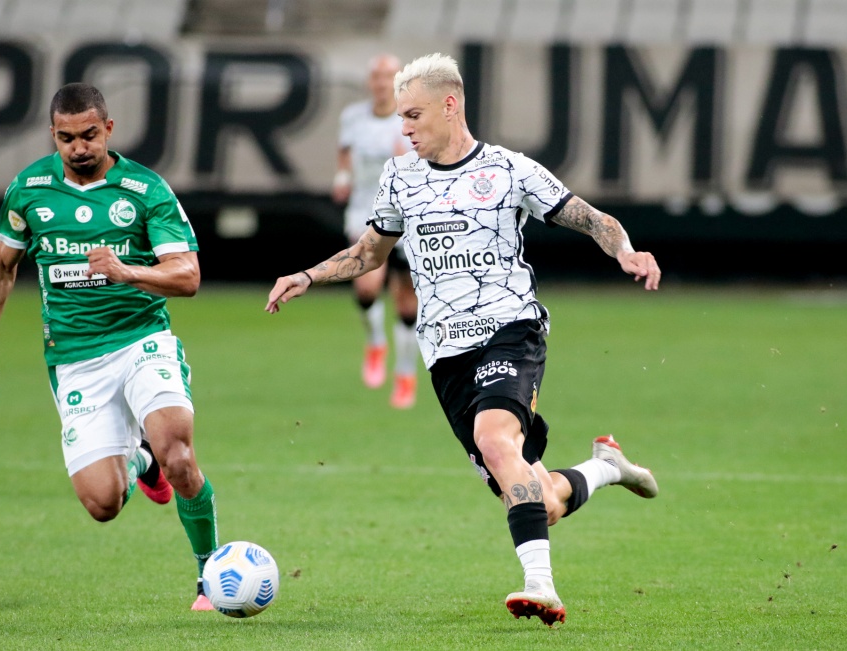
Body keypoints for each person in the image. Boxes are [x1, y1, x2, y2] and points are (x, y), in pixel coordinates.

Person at [266, 53, 661, 626]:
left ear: (450, 106)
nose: (403, 128)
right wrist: (306, 275)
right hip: (445, 355)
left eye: (413, 115)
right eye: (401, 117)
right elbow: (367, 255)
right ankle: (606, 467)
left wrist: (626, 251)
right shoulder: (400, 177)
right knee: (537, 499)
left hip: (511, 331)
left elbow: (593, 218)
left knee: (496, 441)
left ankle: (541, 587)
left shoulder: (509, 170)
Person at [0, 83, 219, 611]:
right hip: (74, 358)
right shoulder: (30, 190)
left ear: (109, 129)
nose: (79, 147)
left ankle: (210, 574)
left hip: (142, 340)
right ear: (53, 135)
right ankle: (141, 462)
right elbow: (2, 265)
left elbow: (188, 276)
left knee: (179, 451)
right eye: (66, 138)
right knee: (102, 504)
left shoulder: (144, 189)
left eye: (89, 135)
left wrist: (126, 271)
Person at [332, 53, 420, 409]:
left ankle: (404, 373)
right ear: (371, 81)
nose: (382, 83)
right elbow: (344, 154)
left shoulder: (411, 117)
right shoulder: (353, 117)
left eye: (388, 76)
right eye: (377, 76)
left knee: (405, 300)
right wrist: (342, 177)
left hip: (408, 215)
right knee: (367, 284)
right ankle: (375, 343)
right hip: (365, 211)